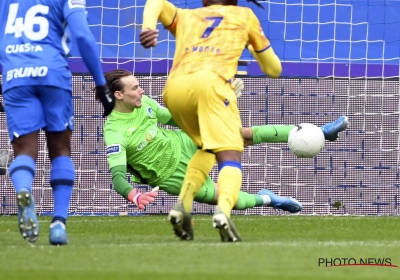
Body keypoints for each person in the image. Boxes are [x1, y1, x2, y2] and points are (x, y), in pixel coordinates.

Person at [102, 70, 349, 230]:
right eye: (135, 88)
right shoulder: (114, 131)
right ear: (118, 94)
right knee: (226, 199)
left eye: (139, 85)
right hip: (172, 177)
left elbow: (174, 118)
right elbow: (117, 178)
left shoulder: (144, 103)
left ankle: (319, 133)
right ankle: (268, 199)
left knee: (239, 134)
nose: (141, 90)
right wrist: (133, 195)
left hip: (184, 143)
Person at [139, 0, 287, 242]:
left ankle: (182, 205)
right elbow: (274, 69)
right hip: (212, 86)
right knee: (230, 153)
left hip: (174, 89)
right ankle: (224, 212)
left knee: (206, 147)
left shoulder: (188, 17)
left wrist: (147, 27)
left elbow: (155, 1)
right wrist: (252, 46)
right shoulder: (244, 16)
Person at [0, 0, 114, 245]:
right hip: (52, 73)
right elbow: (82, 35)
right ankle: (59, 223)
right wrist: (101, 82)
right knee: (61, 150)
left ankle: (24, 190)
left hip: (15, 74)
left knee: (24, 150)